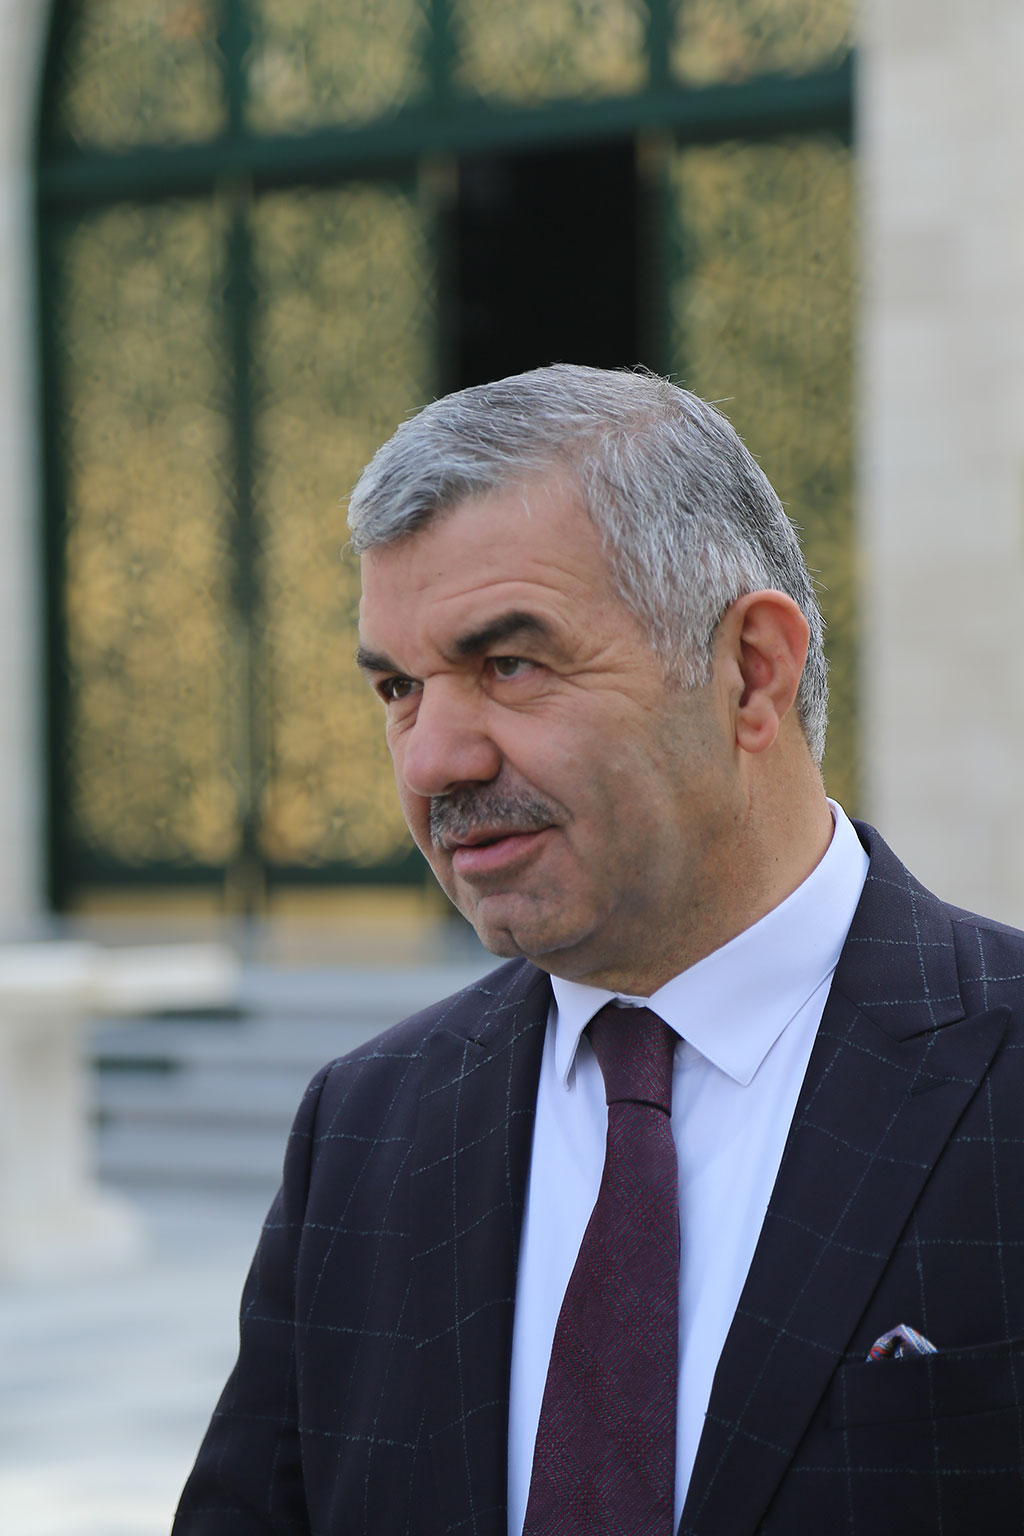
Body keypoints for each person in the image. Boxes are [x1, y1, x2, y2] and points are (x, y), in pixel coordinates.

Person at [173, 366, 1024, 1536]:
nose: (432, 761)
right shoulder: (364, 1128)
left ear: (751, 671)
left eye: (509, 665)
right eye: (399, 688)